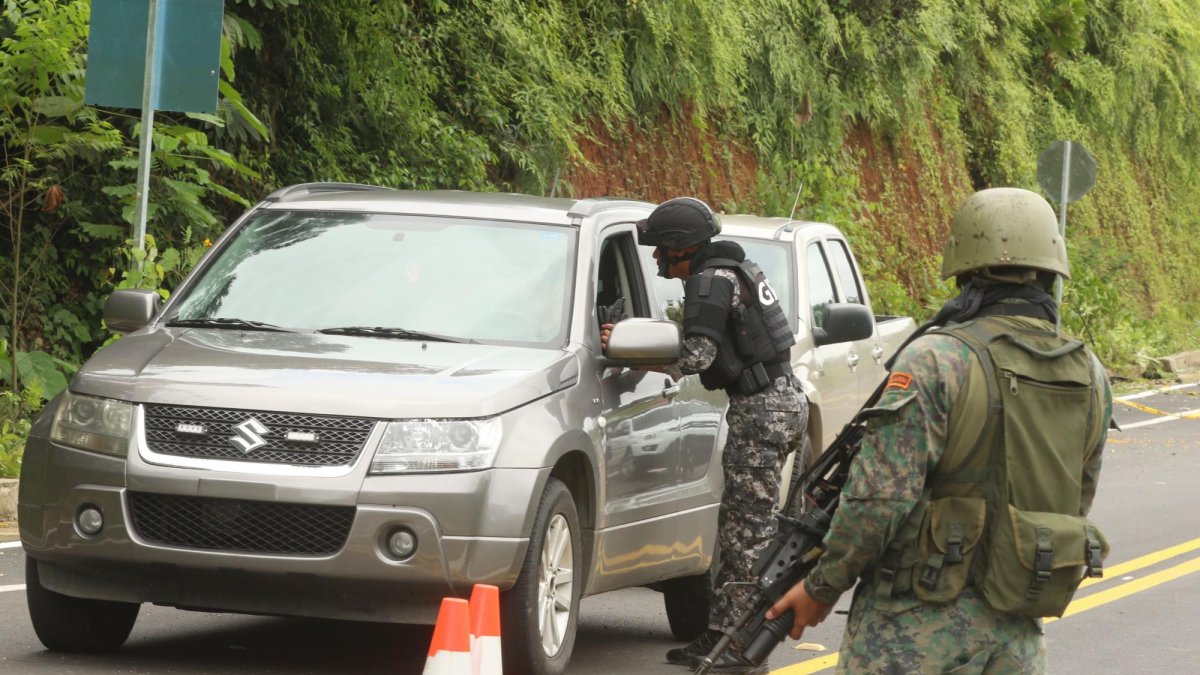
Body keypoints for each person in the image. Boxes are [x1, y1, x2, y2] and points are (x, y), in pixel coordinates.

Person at [764, 187, 1113, 673]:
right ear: (1052, 272)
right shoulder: (1089, 372)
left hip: (912, 634)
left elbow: (879, 499)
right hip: (1017, 638)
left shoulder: (937, 358)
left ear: (964, 271)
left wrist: (822, 586)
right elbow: (1077, 499)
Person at [601, 197, 808, 674]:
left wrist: (631, 353)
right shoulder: (734, 270)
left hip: (763, 411)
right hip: (777, 403)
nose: (656, 258)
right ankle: (720, 635)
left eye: (660, 249)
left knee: (747, 536)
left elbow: (697, 356)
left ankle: (742, 648)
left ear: (682, 247)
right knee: (738, 527)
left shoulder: (711, 280)